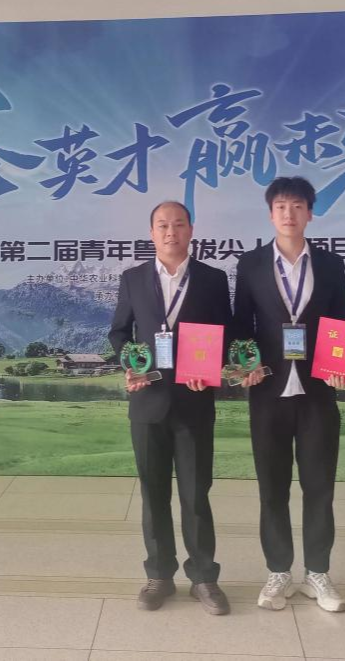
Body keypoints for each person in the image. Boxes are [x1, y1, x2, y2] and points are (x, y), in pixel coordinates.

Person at [108, 200, 232, 615]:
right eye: (162, 225)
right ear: (151, 233)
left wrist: (211, 369)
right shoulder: (133, 279)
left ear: (190, 230)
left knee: (196, 494)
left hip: (195, 401)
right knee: (153, 493)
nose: (170, 232)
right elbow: (119, 332)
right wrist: (129, 362)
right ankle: (159, 575)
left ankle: (204, 578)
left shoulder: (213, 279)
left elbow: (225, 333)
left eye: (178, 224)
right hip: (148, 402)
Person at [233, 176, 345, 613]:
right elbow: (241, 324)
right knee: (272, 488)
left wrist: (341, 366)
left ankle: (318, 573)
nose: (289, 213)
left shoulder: (331, 264)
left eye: (297, 206)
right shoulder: (250, 264)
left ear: (310, 213)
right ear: (270, 214)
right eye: (281, 206)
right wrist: (243, 364)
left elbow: (340, 321)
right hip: (268, 391)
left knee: (320, 487)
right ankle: (278, 571)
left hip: (318, 392)